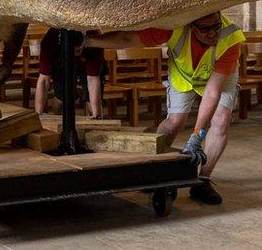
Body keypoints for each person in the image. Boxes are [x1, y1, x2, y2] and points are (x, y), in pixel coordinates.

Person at [84, 11, 244, 205]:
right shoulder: (174, 26)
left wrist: (196, 136)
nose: (212, 34)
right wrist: (88, 41)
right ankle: (152, 171)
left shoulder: (230, 37)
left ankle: (202, 181)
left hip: (218, 79)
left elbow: (212, 92)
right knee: (174, 122)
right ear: (191, 25)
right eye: (205, 29)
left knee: (221, 120)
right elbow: (128, 37)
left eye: (216, 26)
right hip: (184, 76)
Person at [34, 28, 105, 118]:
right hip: (62, 64)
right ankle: (57, 116)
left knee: (92, 107)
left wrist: (97, 117)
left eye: (77, 51)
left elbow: (93, 80)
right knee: (61, 100)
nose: (75, 54)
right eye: (72, 51)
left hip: (85, 63)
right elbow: (44, 80)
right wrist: (37, 116)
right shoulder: (49, 42)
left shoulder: (95, 40)